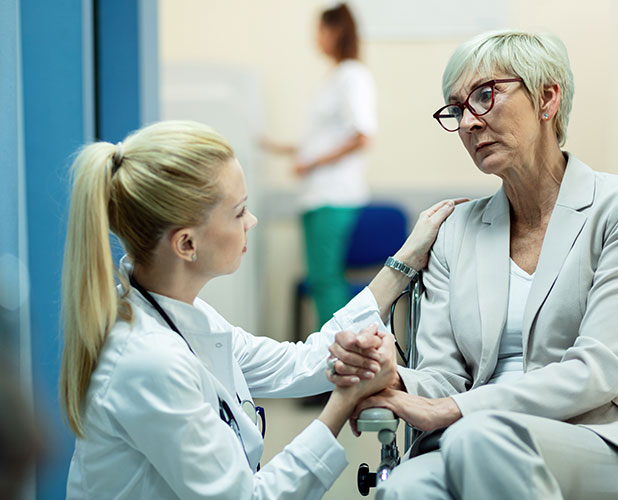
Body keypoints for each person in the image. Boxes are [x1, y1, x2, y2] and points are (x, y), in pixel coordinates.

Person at [339, 30, 618, 499]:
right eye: (456, 109)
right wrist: (395, 378)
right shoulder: (456, 230)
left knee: (480, 436)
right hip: (465, 437)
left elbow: (601, 367)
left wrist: (457, 410)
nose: (468, 124)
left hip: (601, 438)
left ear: (547, 98)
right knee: (405, 489)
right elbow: (444, 374)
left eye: (484, 96)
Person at [59, 120, 458, 499]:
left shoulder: (180, 315)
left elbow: (293, 363)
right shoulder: (149, 360)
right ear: (185, 244)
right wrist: (345, 400)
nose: (251, 220)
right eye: (238, 211)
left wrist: (403, 263)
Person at [263, 3, 376, 329]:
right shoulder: (335, 77)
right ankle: (334, 360)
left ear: (336, 31)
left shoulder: (353, 76)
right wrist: (273, 146)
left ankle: (339, 361)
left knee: (325, 281)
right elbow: (321, 140)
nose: (316, 38)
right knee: (321, 280)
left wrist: (310, 162)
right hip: (318, 197)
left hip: (333, 196)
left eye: (320, 30)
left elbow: (362, 136)